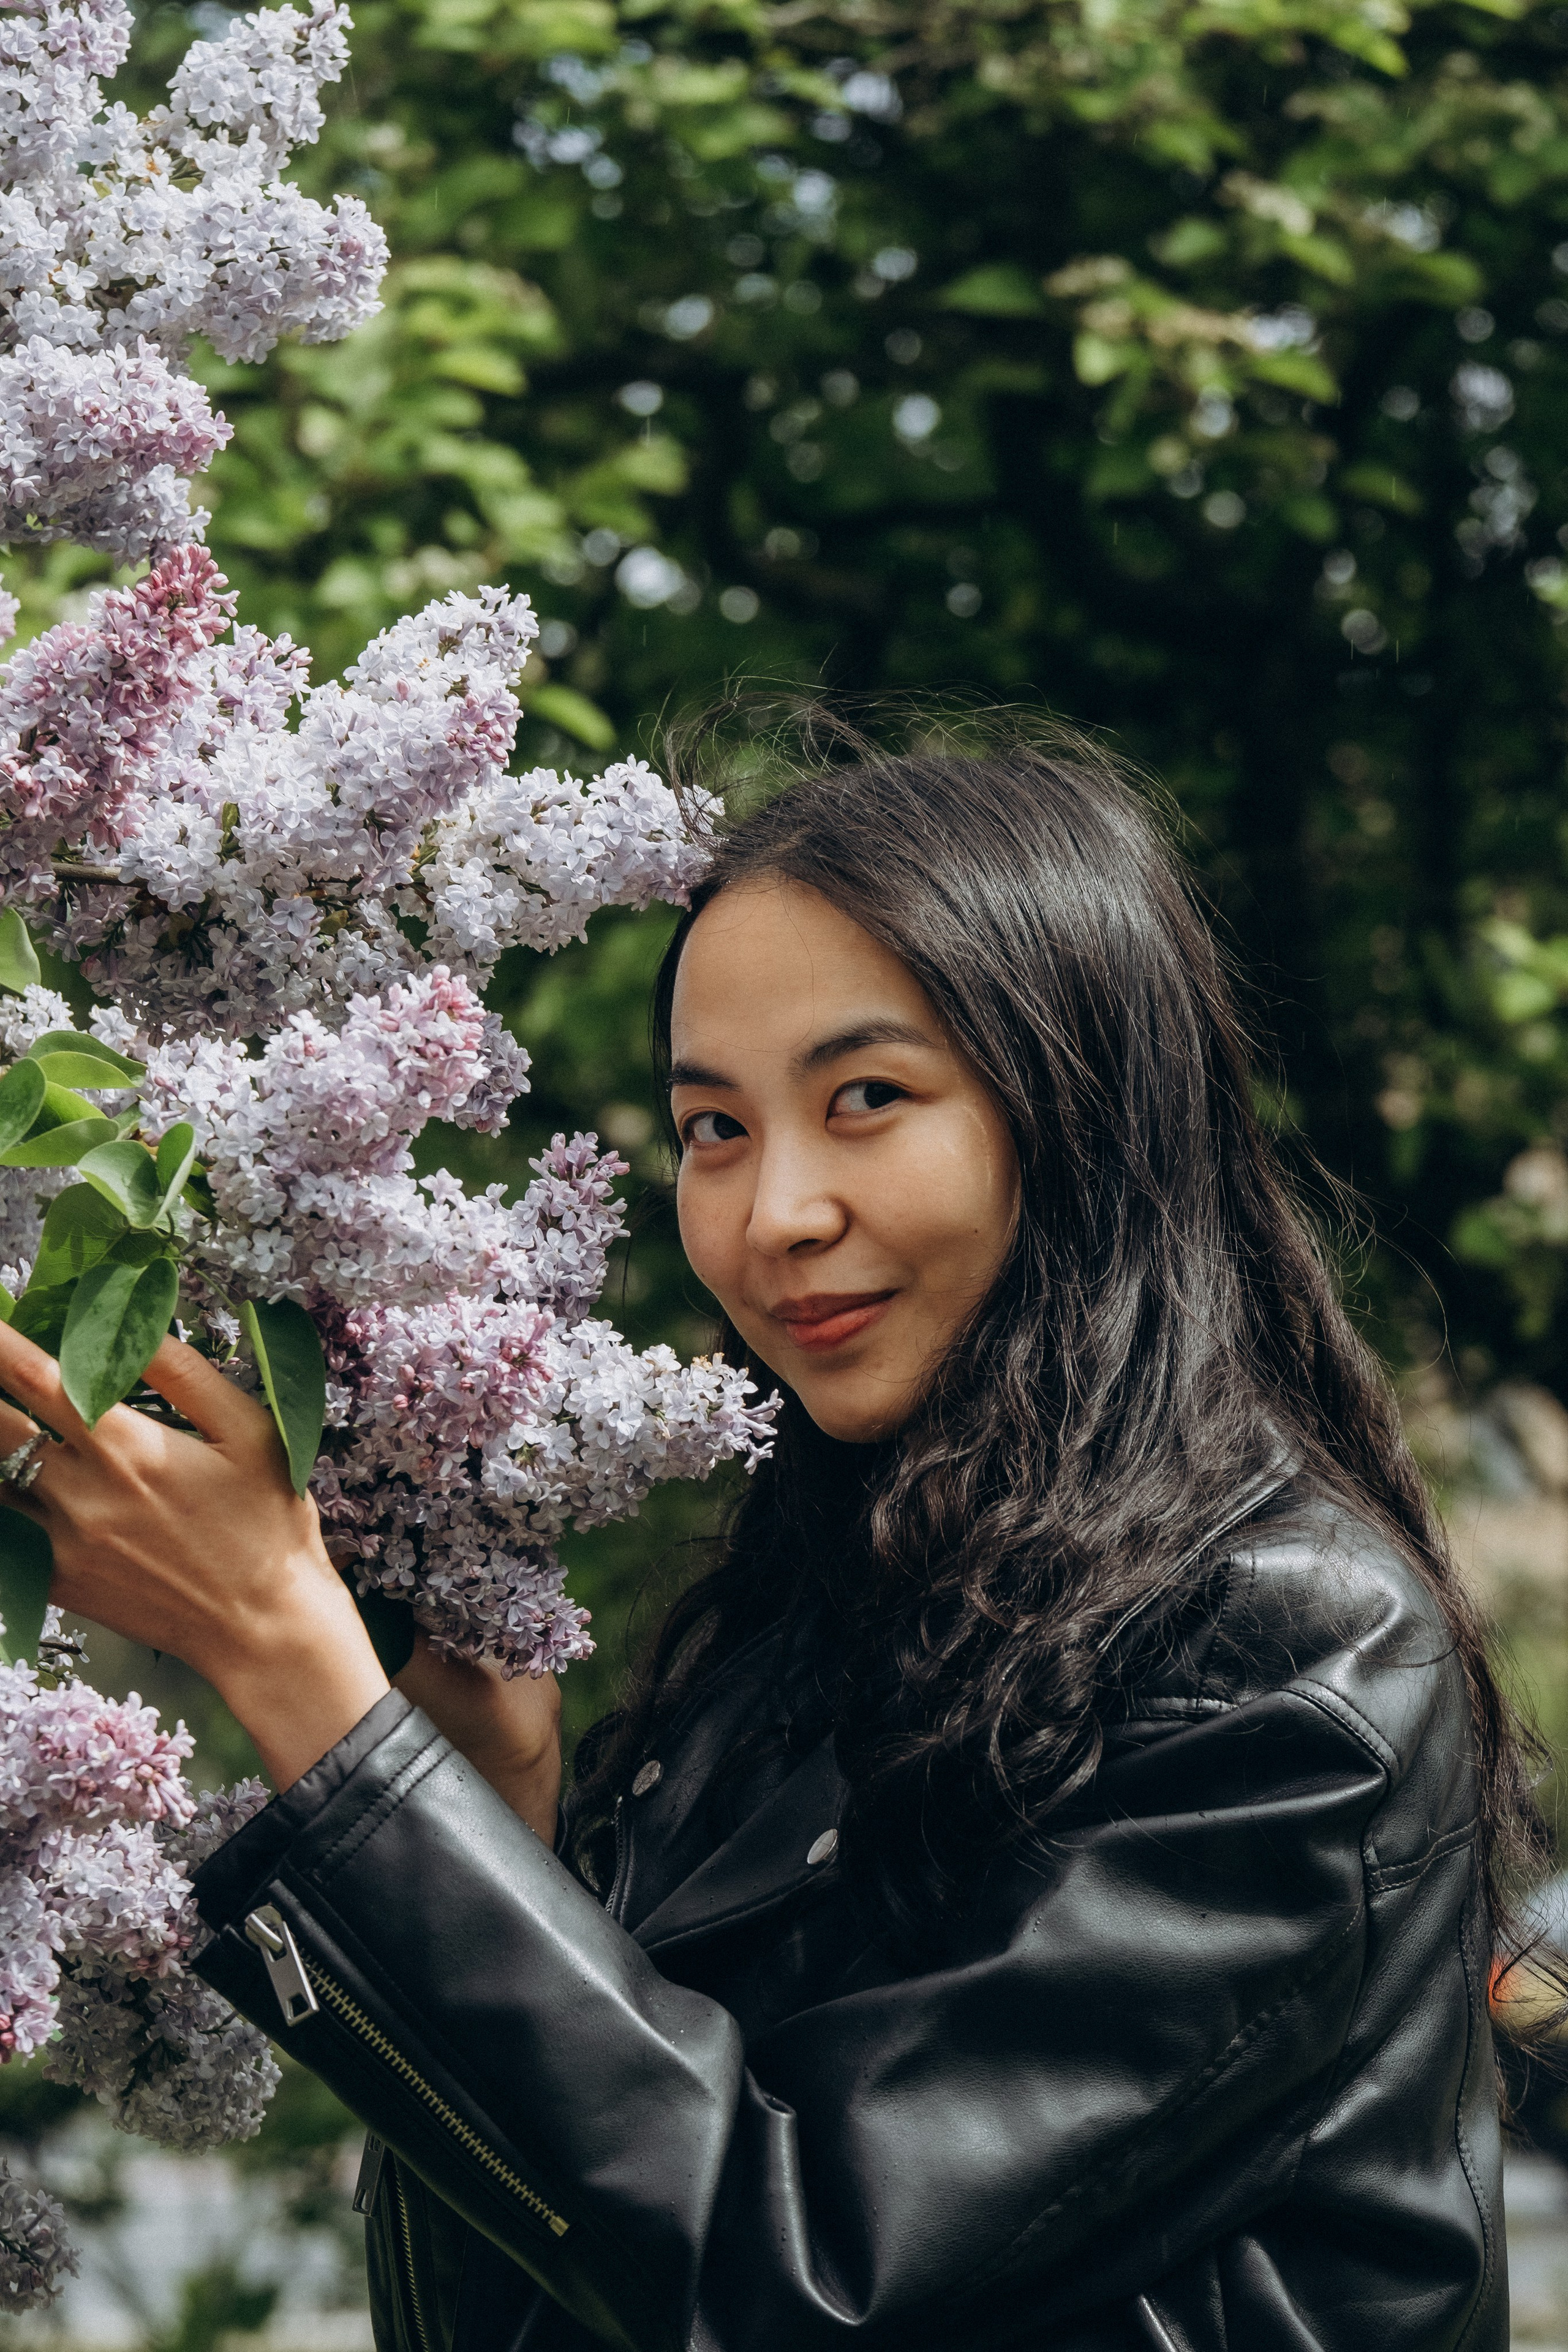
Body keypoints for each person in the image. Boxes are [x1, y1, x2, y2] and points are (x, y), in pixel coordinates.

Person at [0, 723, 1537, 2351]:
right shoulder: (814, 1625)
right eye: (714, 1128)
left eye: (867, 1098)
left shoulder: (1280, 1651)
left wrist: (284, 1656)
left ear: (1087, 1114)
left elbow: (786, 2284)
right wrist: (500, 1821)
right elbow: (528, 2305)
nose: (773, 1214)